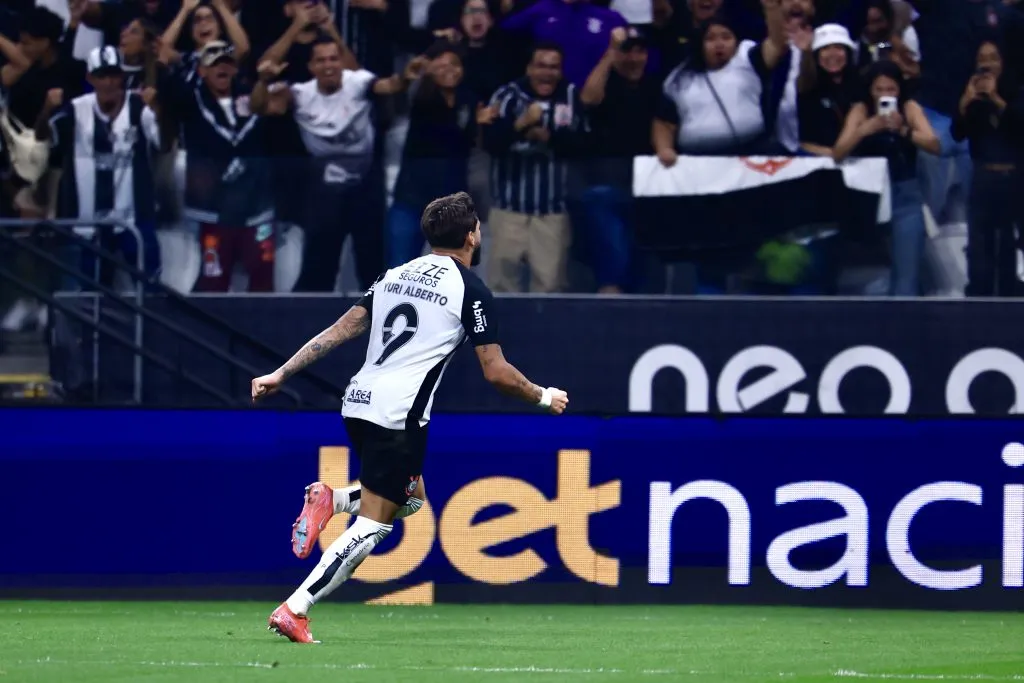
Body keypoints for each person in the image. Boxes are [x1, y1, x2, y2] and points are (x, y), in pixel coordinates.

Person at [250, 191, 569, 644]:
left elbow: (340, 330)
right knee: (377, 523)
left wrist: (282, 372)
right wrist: (542, 396)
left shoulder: (393, 275)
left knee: (413, 497)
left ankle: (333, 500)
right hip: (398, 414)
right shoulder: (470, 290)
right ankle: (296, 608)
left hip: (358, 400)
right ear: (473, 235)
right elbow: (496, 372)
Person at [832, 60, 939, 296]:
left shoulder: (909, 107)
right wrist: (864, 130)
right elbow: (838, 152)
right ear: (870, 90)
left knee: (906, 279)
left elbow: (934, 145)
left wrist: (903, 130)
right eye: (879, 90)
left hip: (904, 193)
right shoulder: (860, 110)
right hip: (868, 195)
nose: (884, 95)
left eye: (890, 89)